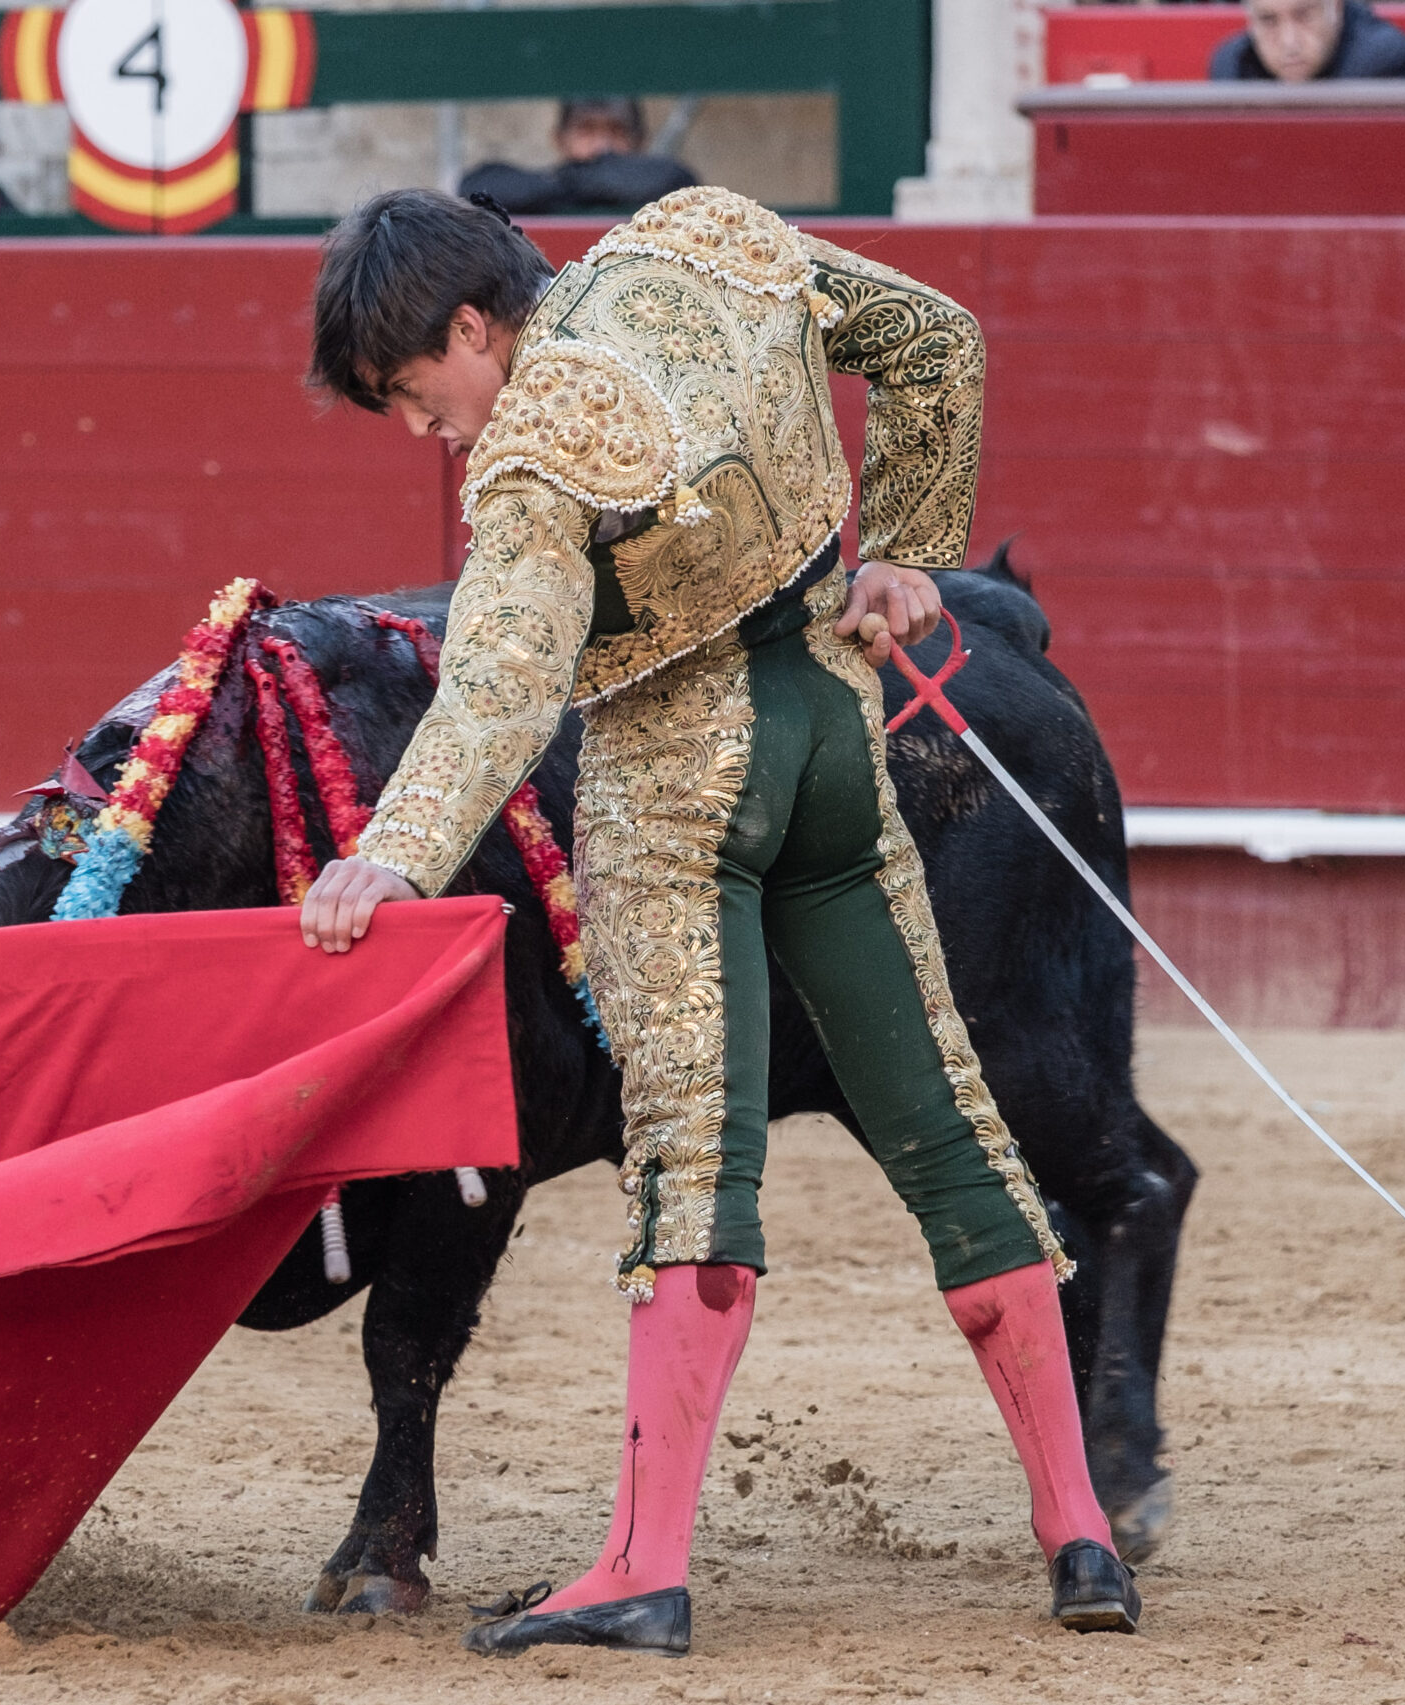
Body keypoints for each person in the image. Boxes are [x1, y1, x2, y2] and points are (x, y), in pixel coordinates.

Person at [298, 187, 1140, 1656]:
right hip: (830, 729)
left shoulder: (534, 449)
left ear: (471, 329)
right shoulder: (706, 238)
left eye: (415, 393)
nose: (428, 428)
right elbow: (936, 338)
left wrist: (395, 857)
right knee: (951, 1133)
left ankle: (641, 1563)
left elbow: (497, 684)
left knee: (693, 1167)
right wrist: (912, 551)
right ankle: (1079, 1534)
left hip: (679, 785)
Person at [457, 97, 697, 217]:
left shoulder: (664, 184)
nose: (603, 145)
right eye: (586, 130)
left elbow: (675, 180)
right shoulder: (545, 188)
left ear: (640, 139)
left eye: (617, 131)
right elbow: (476, 190)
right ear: (559, 138)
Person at [1210, 0, 1405, 82]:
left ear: (1335, 8)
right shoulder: (1233, 66)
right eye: (1269, 21)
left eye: (1304, 16)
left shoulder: (1385, 64)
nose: (1290, 42)